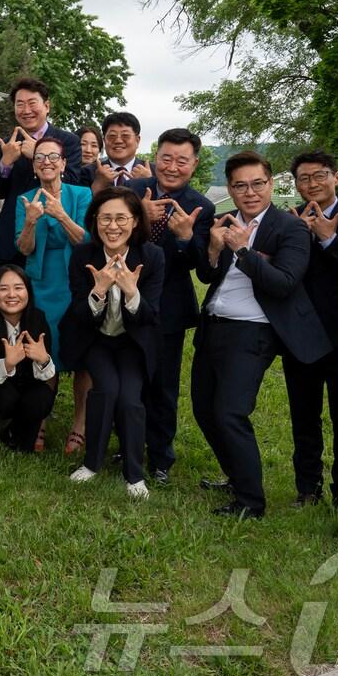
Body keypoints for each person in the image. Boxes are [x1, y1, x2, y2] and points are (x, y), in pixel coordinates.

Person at [192, 151, 332, 518]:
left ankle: (251, 503)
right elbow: (207, 277)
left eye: (257, 183)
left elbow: (284, 283)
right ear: (231, 189)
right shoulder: (224, 221)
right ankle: (237, 476)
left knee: (230, 412)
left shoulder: (290, 229)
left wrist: (243, 250)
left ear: (271, 184)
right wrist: (212, 247)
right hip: (213, 324)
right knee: (204, 410)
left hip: (253, 331)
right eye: (240, 185)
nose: (249, 192)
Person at [125, 128, 215, 485]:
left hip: (169, 308)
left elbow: (199, 264)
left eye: (182, 161)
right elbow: (110, 236)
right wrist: (138, 218)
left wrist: (185, 238)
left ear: (193, 165)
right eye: (166, 158)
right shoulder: (132, 192)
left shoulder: (201, 206)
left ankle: (161, 455)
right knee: (128, 378)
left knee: (162, 383)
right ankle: (127, 444)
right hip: (125, 299)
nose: (172, 167)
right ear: (155, 156)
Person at [63, 188, 165, 499]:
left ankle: (134, 475)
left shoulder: (151, 257)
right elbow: (80, 314)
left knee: (130, 400)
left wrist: (132, 293)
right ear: (95, 221)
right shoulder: (84, 256)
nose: (113, 226)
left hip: (133, 341)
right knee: (105, 390)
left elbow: (150, 316)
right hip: (96, 338)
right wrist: (99, 291)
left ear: (135, 222)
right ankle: (92, 463)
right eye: (105, 218)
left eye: (121, 218)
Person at [14, 135, 92, 451]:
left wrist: (60, 214)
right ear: (34, 167)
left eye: (52, 157)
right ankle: (39, 420)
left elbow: (87, 242)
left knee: (81, 356)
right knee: (42, 349)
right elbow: (23, 247)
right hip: (41, 284)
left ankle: (80, 424)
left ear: (63, 163)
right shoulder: (25, 199)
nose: (46, 162)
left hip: (76, 285)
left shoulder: (82, 194)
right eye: (40, 158)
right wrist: (31, 222)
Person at [283, 150, 338, 507]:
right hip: (301, 336)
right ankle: (308, 489)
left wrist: (328, 239)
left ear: (336, 177)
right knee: (304, 418)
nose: (312, 184)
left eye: (319, 175)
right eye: (304, 179)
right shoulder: (291, 220)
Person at [0, 77, 84, 284]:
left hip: (50, 240)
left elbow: (73, 183)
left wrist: (37, 153)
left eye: (32, 103)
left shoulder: (69, 141)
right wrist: (6, 164)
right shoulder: (9, 143)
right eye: (20, 104)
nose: (26, 110)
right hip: (10, 237)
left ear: (47, 106)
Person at [0, 265, 58, 452]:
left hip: (26, 383)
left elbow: (48, 375)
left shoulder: (38, 318)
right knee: (5, 396)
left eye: (18, 288)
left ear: (28, 291)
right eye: (3, 289)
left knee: (42, 396)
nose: (12, 294)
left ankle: (17, 434)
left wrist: (43, 359)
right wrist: (7, 364)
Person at [90, 112, 152, 193]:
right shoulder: (89, 172)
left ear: (137, 140)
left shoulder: (155, 173)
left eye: (125, 135)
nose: (118, 141)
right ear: (104, 140)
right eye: (112, 136)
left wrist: (149, 183)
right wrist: (98, 185)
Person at [76, 124, 102, 189]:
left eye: (94, 146)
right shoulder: (63, 172)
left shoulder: (105, 174)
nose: (88, 150)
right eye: (83, 144)